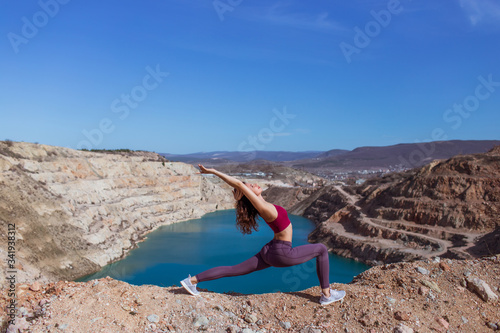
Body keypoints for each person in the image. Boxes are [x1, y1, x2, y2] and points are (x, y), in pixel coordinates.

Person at [180, 164, 346, 305]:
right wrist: (213, 171)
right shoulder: (263, 208)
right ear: (249, 194)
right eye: (251, 186)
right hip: (282, 252)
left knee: (234, 269)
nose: (254, 185)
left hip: (269, 250)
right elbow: (238, 183)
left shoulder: (265, 204)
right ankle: (327, 295)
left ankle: (192, 281)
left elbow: (243, 188)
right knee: (322, 249)